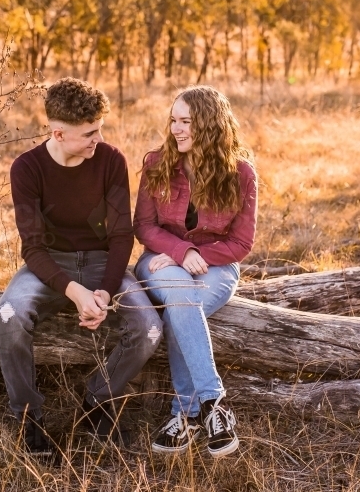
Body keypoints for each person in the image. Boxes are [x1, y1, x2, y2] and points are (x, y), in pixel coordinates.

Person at [0, 77, 162, 455]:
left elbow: (121, 236)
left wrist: (103, 289)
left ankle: (97, 401)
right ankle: (26, 418)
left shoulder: (110, 160)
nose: (97, 140)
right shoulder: (27, 168)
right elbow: (33, 249)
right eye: (89, 133)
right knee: (8, 315)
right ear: (58, 133)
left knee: (149, 328)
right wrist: (74, 290)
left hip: (105, 264)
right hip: (49, 268)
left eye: (100, 130)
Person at [134, 85, 257, 458]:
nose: (176, 129)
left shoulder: (241, 174)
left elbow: (241, 243)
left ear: (209, 125)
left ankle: (184, 415)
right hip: (158, 262)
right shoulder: (157, 164)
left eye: (186, 121)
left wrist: (193, 255)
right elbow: (144, 226)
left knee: (180, 306)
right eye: (173, 120)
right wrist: (178, 250)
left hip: (216, 267)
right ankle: (213, 402)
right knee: (180, 294)